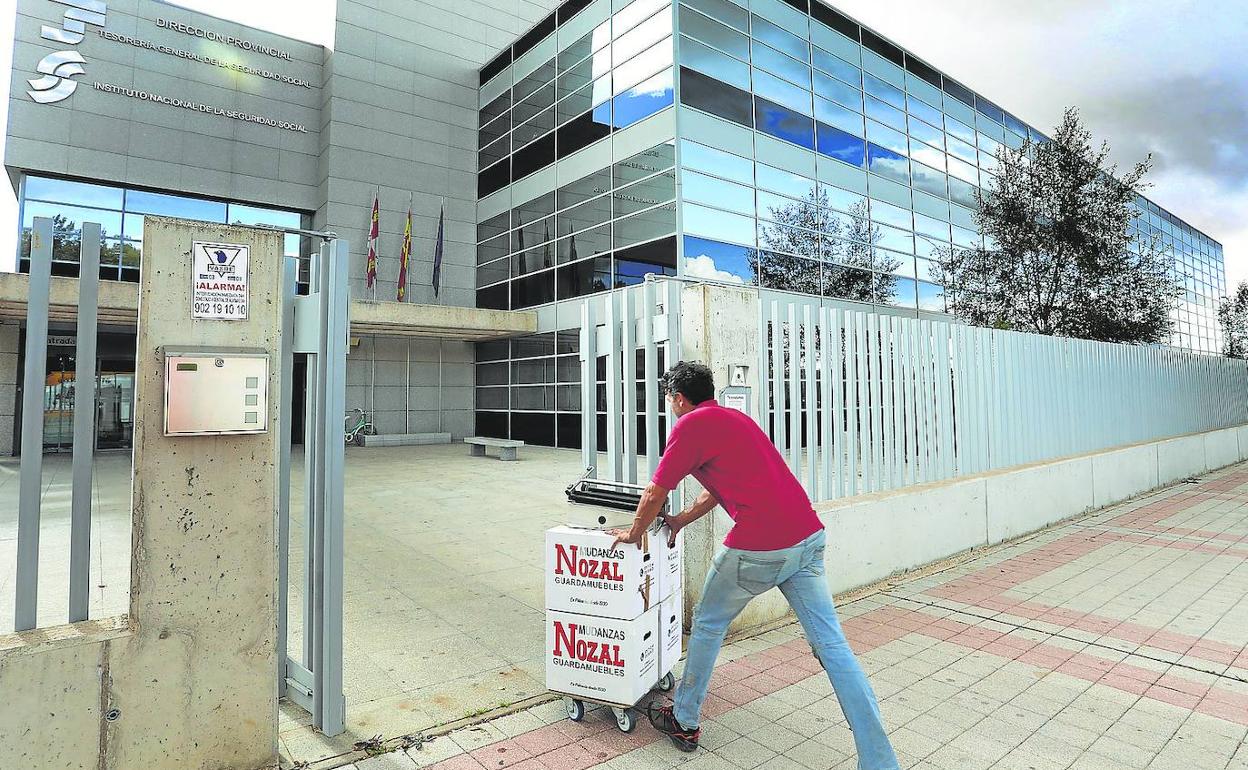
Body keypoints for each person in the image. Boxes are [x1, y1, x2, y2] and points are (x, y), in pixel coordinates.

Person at [610, 361, 900, 769]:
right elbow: (715, 491)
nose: (670, 406)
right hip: (808, 540)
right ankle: (880, 761)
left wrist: (636, 531)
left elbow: (656, 489)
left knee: (709, 621)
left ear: (678, 398)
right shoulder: (734, 419)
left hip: (761, 546)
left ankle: (685, 720)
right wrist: (679, 522)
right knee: (832, 647)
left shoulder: (689, 426)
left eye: (669, 399)